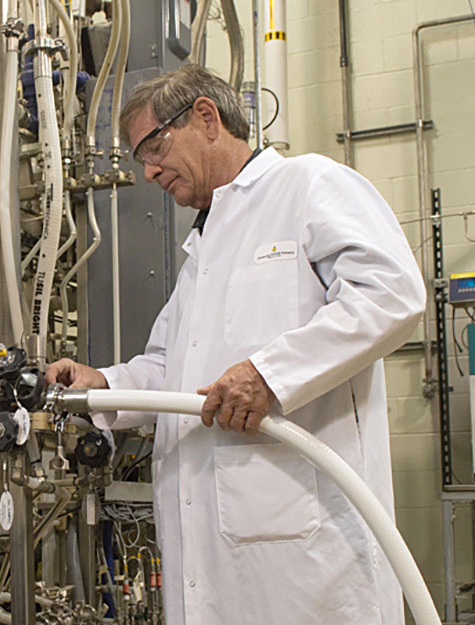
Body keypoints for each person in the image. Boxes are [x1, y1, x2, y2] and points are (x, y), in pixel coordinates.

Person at [46, 64, 426, 625]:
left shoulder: (308, 185)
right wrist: (102, 385)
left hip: (306, 560)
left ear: (205, 117)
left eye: (153, 146)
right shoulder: (204, 246)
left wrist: (270, 375)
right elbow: (172, 372)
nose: (148, 172)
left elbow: (392, 294)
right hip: (215, 560)